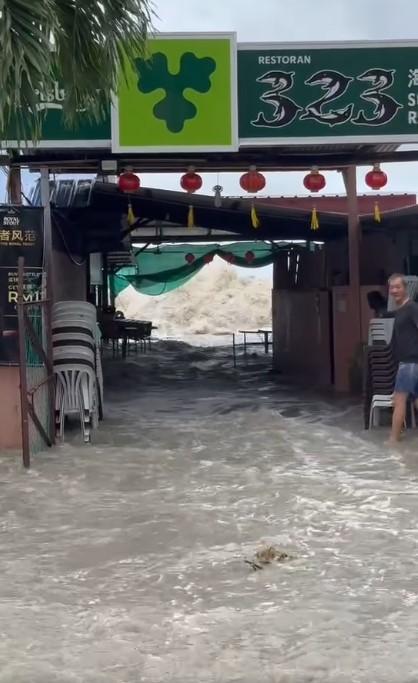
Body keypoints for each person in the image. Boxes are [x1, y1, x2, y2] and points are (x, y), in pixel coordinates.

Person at [388, 274, 418, 442]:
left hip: (410, 362)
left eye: (398, 287)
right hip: (409, 362)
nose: (394, 290)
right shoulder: (399, 311)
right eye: (392, 287)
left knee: (399, 401)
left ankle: (393, 441)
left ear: (405, 288)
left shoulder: (412, 308)